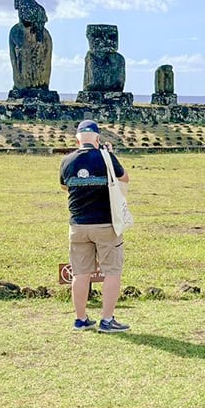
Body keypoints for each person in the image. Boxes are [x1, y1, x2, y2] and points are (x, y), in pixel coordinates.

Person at [60, 119, 131, 332]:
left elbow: (65, 185)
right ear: (98, 139)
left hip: (78, 224)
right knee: (112, 271)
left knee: (81, 272)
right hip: (105, 223)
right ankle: (107, 319)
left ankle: (80, 319)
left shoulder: (67, 160)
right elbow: (125, 178)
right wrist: (108, 155)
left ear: (77, 139)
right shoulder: (106, 157)